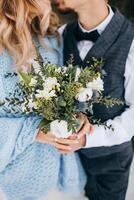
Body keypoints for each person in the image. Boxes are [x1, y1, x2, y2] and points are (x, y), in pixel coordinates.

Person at [0, 1, 87, 200]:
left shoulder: (52, 37)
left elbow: (66, 94)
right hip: (11, 184)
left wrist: (78, 117)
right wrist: (33, 130)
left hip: (61, 175)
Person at [55, 0, 134, 199]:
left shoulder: (131, 41)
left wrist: (88, 138)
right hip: (66, 161)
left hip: (111, 162)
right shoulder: (60, 34)